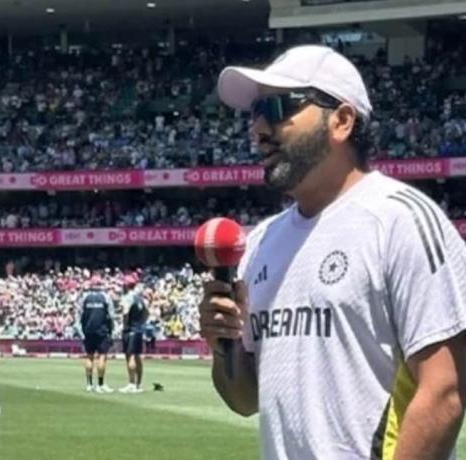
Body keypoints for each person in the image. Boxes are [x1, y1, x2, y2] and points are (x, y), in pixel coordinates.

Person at [200, 44, 466, 459]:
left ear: (341, 121)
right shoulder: (261, 243)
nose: (258, 129)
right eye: (254, 113)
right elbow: (245, 399)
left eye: (276, 108)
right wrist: (224, 344)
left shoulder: (401, 221)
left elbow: (445, 391)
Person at [79, 276, 115, 393]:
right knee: (102, 356)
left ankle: (89, 384)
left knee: (89, 356)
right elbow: (111, 315)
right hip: (102, 331)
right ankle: (100, 384)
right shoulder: (105, 297)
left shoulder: (84, 298)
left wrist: (82, 330)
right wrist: (112, 330)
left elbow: (80, 315)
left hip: (88, 331)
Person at [119, 276, 147, 394]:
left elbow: (125, 313)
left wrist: (125, 326)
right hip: (139, 329)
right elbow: (146, 313)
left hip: (130, 330)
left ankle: (131, 384)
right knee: (137, 356)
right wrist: (140, 323)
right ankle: (138, 384)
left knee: (130, 356)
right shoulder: (140, 298)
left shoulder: (127, 298)